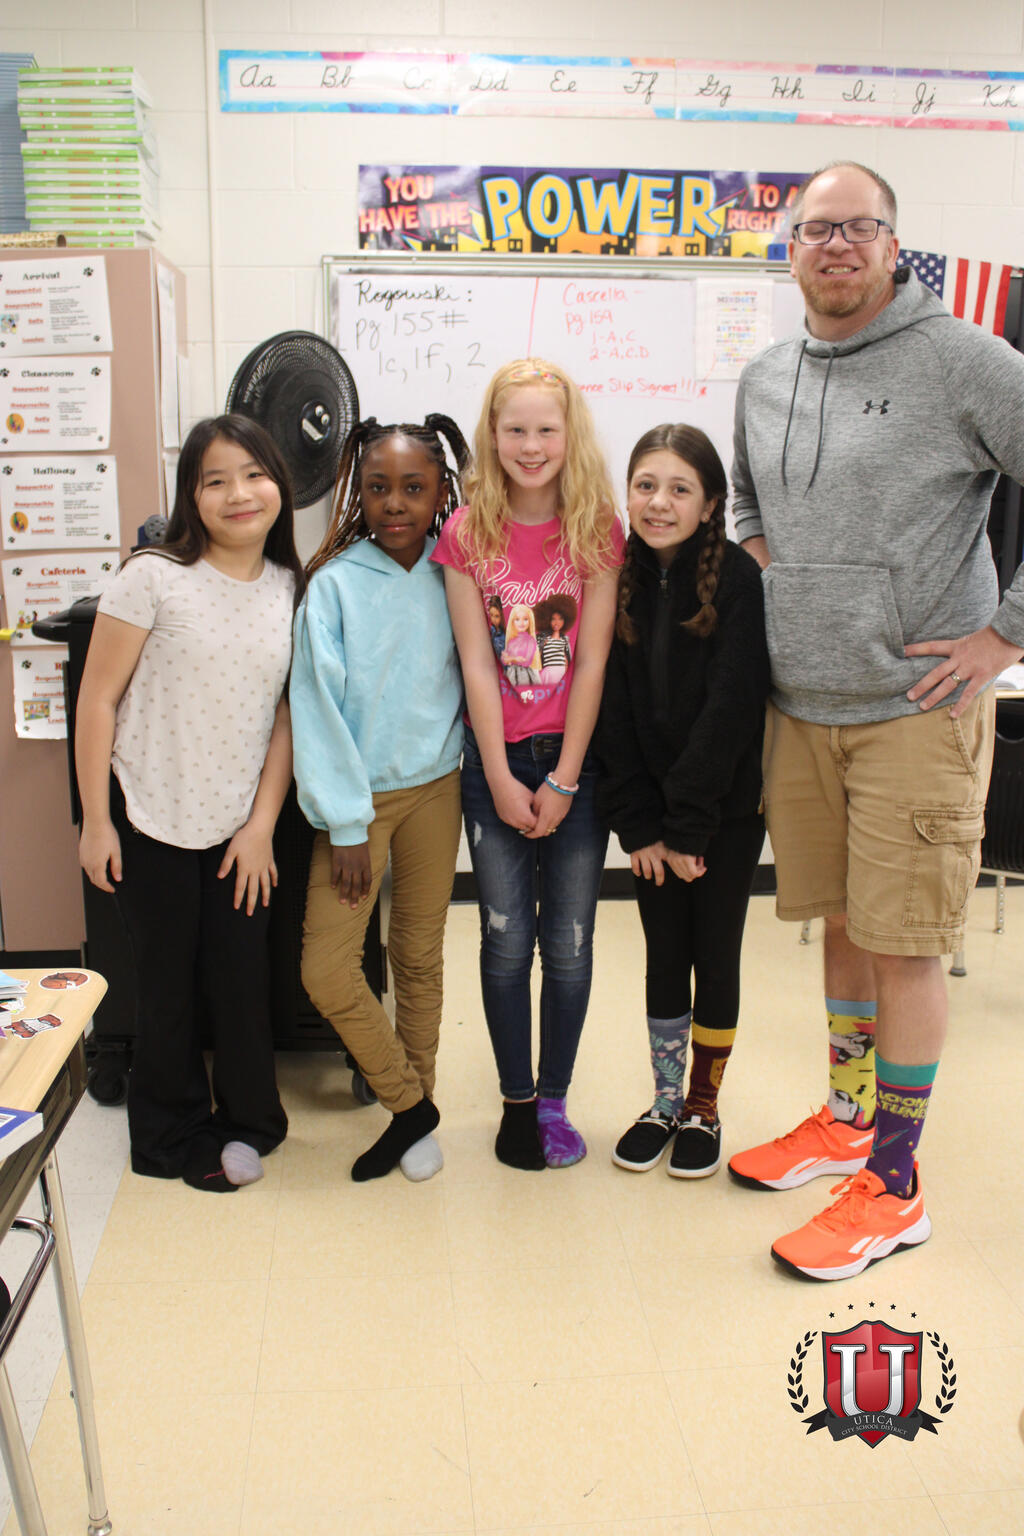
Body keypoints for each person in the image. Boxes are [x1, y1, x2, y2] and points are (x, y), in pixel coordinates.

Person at [729, 160, 1024, 1279]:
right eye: (817, 230)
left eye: (859, 228)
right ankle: (850, 1122)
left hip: (917, 711)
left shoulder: (962, 359)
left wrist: (1005, 636)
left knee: (905, 948)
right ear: (791, 251)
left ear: (894, 247)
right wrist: (796, 591)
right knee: (846, 926)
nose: (837, 245)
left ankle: (894, 1187)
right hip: (802, 708)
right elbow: (748, 503)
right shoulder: (765, 376)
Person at [76, 415, 304, 1192]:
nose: (239, 493)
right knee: (166, 989)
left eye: (254, 474)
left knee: (242, 982)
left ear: (280, 484)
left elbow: (285, 716)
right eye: (215, 480)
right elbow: (97, 701)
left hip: (240, 825)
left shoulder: (289, 586)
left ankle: (249, 1121)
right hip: (149, 815)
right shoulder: (152, 576)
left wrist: (263, 826)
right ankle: (168, 1138)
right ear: (191, 496)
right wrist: (97, 821)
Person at [434, 358, 624, 1170]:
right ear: (493, 434)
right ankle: (517, 1102)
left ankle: (554, 1100)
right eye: (515, 429)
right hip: (496, 764)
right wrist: (500, 775)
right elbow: (477, 665)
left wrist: (566, 777)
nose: (532, 444)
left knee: (570, 946)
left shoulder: (598, 528)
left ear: (570, 434)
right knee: (507, 942)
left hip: (575, 765)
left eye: (547, 428)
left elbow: (592, 660)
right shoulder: (466, 534)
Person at [291, 414, 470, 1182]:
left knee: (418, 956)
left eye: (413, 487)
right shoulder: (334, 585)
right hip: (357, 806)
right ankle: (409, 1101)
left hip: (437, 789)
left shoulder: (457, 574)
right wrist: (346, 823)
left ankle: (413, 1106)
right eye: (377, 487)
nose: (394, 503)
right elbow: (316, 708)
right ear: (357, 494)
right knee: (327, 969)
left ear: (440, 493)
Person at [596, 425, 769, 1177]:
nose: (659, 503)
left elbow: (733, 707)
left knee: (714, 955)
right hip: (652, 827)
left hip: (721, 818)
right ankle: (666, 1100)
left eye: (679, 489)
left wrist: (690, 826)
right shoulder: (616, 575)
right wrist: (642, 827)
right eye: (645, 485)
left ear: (710, 503)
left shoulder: (738, 578)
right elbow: (611, 710)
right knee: (664, 956)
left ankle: (704, 1105)